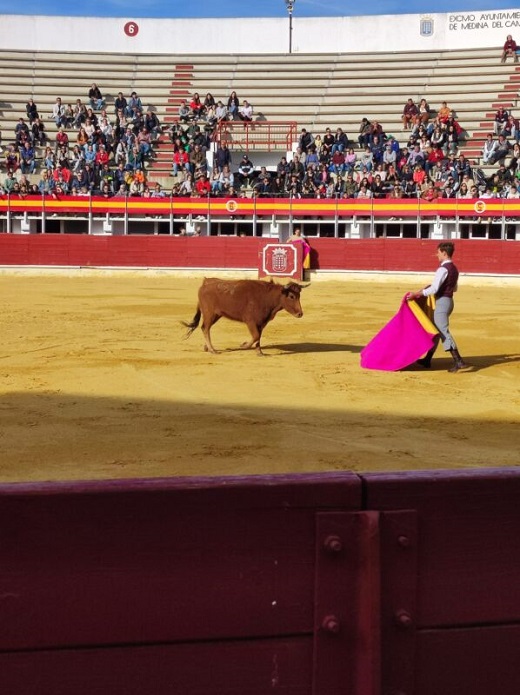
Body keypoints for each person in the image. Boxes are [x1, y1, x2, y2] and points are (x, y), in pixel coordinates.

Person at [406, 241, 468, 372]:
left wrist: (416, 294)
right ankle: (427, 359)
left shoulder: (442, 269)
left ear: (444, 253)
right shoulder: (454, 268)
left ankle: (458, 360)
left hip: (442, 302)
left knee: (442, 331)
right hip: (449, 301)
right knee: (436, 331)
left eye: (438, 252)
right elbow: (454, 288)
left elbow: (434, 289)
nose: (437, 255)